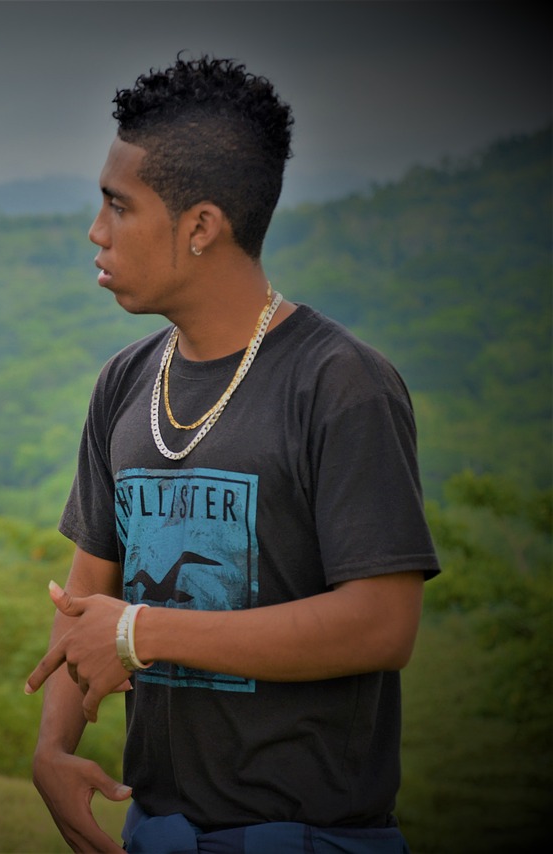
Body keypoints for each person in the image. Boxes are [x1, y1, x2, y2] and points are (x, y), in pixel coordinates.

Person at [24, 56, 438, 853]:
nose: (96, 231)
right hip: (157, 826)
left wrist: (144, 632)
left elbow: (384, 624)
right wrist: (53, 748)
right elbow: (87, 600)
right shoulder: (124, 382)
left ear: (202, 226)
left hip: (308, 835)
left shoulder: (340, 384)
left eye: (119, 205)